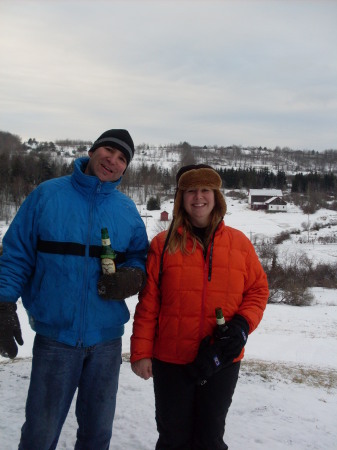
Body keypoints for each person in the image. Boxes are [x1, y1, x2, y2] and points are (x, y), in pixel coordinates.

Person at [0, 129, 149, 450]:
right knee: (40, 433)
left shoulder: (126, 211)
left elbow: (140, 258)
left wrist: (131, 277)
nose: (113, 160)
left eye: (122, 158)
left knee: (97, 435)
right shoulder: (47, 196)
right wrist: (3, 302)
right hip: (56, 339)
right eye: (109, 150)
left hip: (107, 342)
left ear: (125, 168)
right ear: (93, 151)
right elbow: (17, 254)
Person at [130, 164, 269, 450]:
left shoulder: (240, 244)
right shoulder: (162, 244)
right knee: (173, 438)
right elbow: (149, 303)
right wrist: (141, 352)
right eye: (190, 191)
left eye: (205, 190)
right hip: (171, 360)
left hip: (221, 359)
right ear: (181, 198)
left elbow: (257, 290)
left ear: (217, 196)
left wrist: (242, 326)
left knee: (210, 437)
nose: (198, 197)